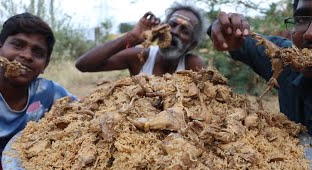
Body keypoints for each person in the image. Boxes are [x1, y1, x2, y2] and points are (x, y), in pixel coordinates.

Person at [0, 13, 76, 170]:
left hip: (26, 169)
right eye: (18, 45)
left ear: (45, 65)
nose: (27, 56)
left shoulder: (49, 92)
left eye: (38, 53)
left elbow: (83, 111)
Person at [208, 0, 312, 134]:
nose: (309, 34)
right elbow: (240, 41)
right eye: (302, 19)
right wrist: (227, 29)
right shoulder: (284, 60)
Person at [75, 2, 207, 76]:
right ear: (161, 28)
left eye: (185, 30)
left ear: (192, 45)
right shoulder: (141, 56)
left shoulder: (192, 66)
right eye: (171, 25)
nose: (174, 32)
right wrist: (130, 38)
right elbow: (83, 65)